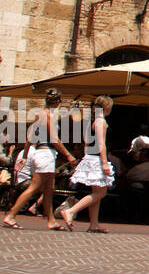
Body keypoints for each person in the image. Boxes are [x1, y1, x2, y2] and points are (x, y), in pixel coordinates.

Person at [2, 89, 75, 230]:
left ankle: (51, 221)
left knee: (48, 189)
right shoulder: (49, 116)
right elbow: (54, 139)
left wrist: (24, 156)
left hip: (40, 154)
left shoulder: (39, 115)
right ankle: (11, 215)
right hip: (46, 154)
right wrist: (68, 155)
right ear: (58, 102)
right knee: (34, 188)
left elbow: (30, 138)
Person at [60, 96, 116, 233]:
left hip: (90, 157)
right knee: (101, 192)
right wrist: (104, 162)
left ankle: (94, 224)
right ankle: (71, 211)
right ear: (107, 107)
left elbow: (86, 142)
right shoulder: (101, 122)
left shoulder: (91, 121)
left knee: (96, 193)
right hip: (97, 159)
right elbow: (101, 144)